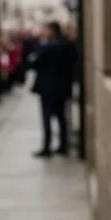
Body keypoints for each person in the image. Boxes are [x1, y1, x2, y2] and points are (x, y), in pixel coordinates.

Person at [30, 22, 73, 158]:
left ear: (52, 31)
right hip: (63, 86)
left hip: (47, 87)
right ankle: (63, 145)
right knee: (61, 117)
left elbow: (35, 63)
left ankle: (46, 147)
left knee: (47, 117)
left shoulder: (47, 46)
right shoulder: (67, 45)